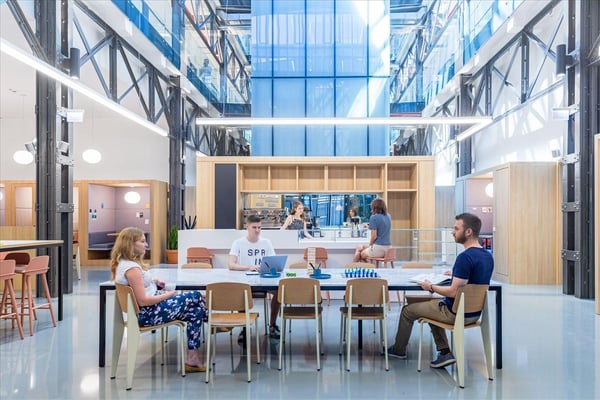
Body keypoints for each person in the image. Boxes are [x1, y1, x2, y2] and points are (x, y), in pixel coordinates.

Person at [387, 213, 494, 368]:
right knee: (433, 306)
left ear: (468, 232)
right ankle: (444, 353)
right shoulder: (487, 256)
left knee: (407, 311)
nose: (452, 232)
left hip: (454, 313)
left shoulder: (464, 257)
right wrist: (455, 275)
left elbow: (453, 292)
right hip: (474, 314)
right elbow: (473, 281)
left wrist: (430, 287)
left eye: (456, 229)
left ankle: (398, 350)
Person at [110, 227, 207, 373]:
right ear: (130, 244)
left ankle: (192, 359)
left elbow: (140, 288)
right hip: (148, 314)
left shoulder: (125, 264)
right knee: (196, 295)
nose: (146, 244)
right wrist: (169, 295)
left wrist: (153, 282)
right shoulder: (132, 269)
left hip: (148, 312)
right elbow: (143, 301)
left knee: (196, 311)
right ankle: (212, 320)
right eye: (142, 241)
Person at [229, 215, 281, 341]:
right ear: (247, 227)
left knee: (279, 291)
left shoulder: (266, 242)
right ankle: (244, 327)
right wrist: (249, 267)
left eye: (259, 227)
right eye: (254, 227)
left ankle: (272, 324)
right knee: (240, 292)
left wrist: (267, 268)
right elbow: (231, 265)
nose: (257, 230)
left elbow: (274, 262)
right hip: (246, 280)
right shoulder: (238, 243)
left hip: (264, 279)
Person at [353, 198, 391, 262]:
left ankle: (353, 266)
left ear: (374, 207)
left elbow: (374, 236)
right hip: (388, 248)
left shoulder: (374, 217)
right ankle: (357, 265)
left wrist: (370, 245)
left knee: (361, 254)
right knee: (360, 247)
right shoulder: (388, 216)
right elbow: (382, 227)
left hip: (378, 248)